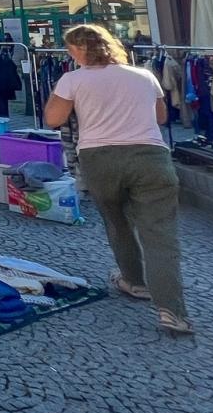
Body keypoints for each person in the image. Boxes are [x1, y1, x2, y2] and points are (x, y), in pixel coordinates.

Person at [44, 23, 191, 335]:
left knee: (117, 222)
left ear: (77, 50)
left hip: (101, 158)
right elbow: (161, 118)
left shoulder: (73, 79)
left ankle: (135, 282)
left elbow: (53, 119)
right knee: (160, 235)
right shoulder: (144, 75)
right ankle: (172, 311)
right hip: (151, 157)